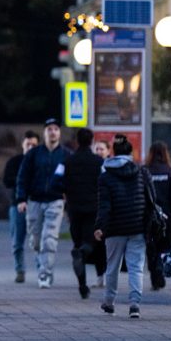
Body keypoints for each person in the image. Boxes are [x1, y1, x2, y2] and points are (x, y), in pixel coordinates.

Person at [94, 134, 149, 318]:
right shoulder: (142, 171)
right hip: (137, 225)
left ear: (113, 152)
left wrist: (100, 226)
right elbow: (151, 199)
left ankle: (109, 302)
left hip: (114, 227)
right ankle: (134, 304)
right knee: (136, 266)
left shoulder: (105, 176)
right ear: (130, 152)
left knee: (113, 266)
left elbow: (104, 206)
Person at [16, 117, 70, 288]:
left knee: (49, 239)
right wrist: (21, 199)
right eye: (49, 129)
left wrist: (69, 197)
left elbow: (73, 178)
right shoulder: (34, 154)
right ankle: (43, 265)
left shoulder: (66, 155)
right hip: (34, 201)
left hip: (55, 201)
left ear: (59, 133)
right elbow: (23, 177)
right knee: (36, 240)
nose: (53, 132)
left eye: (56, 129)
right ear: (44, 132)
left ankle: (45, 274)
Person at [64, 128, 106, 299]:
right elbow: (104, 182)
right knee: (90, 242)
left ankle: (82, 285)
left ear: (77, 141)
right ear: (91, 141)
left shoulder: (68, 161)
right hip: (93, 208)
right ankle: (82, 253)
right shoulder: (98, 162)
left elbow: (57, 181)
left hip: (74, 208)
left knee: (77, 242)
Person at [3, 130, 38, 283]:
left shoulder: (41, 162)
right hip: (17, 205)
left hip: (36, 203)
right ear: (23, 144)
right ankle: (20, 270)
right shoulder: (15, 162)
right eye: (28, 144)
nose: (30, 147)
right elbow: (6, 180)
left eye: (33, 145)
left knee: (38, 240)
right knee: (17, 241)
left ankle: (41, 269)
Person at [144, 141, 171, 291]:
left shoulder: (145, 171)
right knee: (164, 245)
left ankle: (154, 276)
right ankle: (160, 270)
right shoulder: (170, 171)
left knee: (151, 246)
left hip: (148, 214)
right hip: (166, 215)